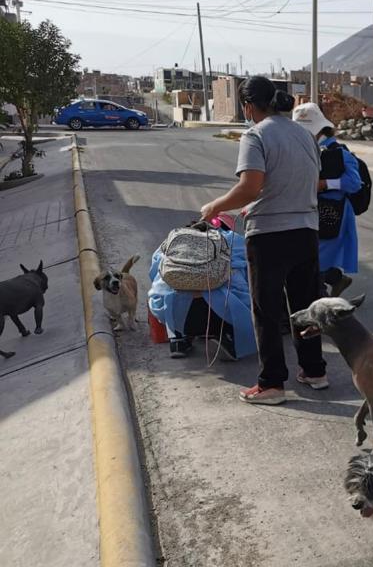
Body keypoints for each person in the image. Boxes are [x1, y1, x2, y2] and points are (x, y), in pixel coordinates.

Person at [200, 76, 327, 405]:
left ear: (248, 106)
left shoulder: (255, 134)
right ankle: (314, 371)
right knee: (305, 305)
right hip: (306, 231)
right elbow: (309, 182)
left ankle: (271, 383)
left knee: (267, 310)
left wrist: (214, 206)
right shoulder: (304, 134)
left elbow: (251, 186)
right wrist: (257, 204)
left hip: (270, 237)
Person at [148, 218, 256, 362]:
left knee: (168, 293)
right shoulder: (231, 240)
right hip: (220, 315)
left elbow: (153, 273)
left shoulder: (173, 241)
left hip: (175, 316)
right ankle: (227, 339)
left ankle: (178, 340)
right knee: (239, 295)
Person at [292, 102, 360, 297]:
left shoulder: (339, 153)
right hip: (311, 210)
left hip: (333, 213)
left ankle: (321, 305)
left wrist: (325, 184)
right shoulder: (306, 149)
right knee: (313, 255)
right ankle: (336, 280)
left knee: (317, 258)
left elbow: (354, 183)